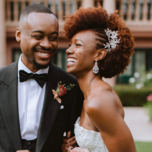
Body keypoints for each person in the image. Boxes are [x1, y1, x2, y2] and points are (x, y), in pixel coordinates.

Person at [0, 4, 83, 152]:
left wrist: (68, 146)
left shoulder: (70, 84)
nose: (47, 44)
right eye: (37, 36)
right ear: (18, 35)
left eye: (53, 38)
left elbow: (74, 137)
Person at [63, 4, 137, 152]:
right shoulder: (87, 95)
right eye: (70, 44)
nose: (68, 50)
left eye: (77, 45)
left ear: (99, 55)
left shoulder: (98, 102)